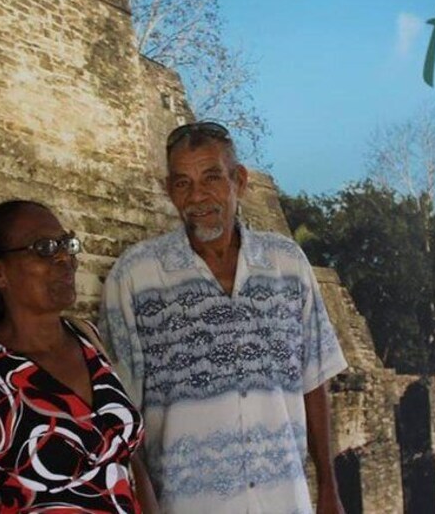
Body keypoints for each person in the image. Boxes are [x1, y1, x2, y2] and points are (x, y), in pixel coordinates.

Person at [99, 122, 348, 513]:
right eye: (182, 183)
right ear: (169, 191)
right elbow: (120, 411)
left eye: (212, 177)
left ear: (240, 180)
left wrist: (329, 489)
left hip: (284, 499)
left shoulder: (288, 264)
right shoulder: (134, 276)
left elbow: (313, 381)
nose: (197, 196)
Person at [0, 200, 159, 513]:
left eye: (66, 244)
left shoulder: (87, 338)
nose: (65, 258)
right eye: (43, 247)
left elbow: (130, 462)